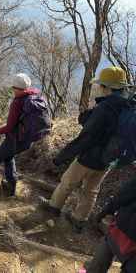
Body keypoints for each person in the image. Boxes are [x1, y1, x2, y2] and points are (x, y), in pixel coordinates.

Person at [39, 67, 131, 232]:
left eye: (101, 85)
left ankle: (53, 207)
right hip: (108, 159)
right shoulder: (127, 106)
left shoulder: (104, 108)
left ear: (107, 88)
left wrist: (62, 156)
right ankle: (79, 219)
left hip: (90, 157)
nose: (98, 88)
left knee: (67, 182)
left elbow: (87, 137)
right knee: (91, 190)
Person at [0, 73, 49, 196]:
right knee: (8, 157)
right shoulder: (35, 96)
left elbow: (9, 127)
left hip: (15, 139)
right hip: (28, 139)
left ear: (16, 88)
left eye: (14, 88)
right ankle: (11, 185)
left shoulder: (17, 102)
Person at [85, 176, 136, 272]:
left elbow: (125, 194)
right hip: (124, 228)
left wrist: (106, 211)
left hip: (122, 228)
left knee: (99, 261)